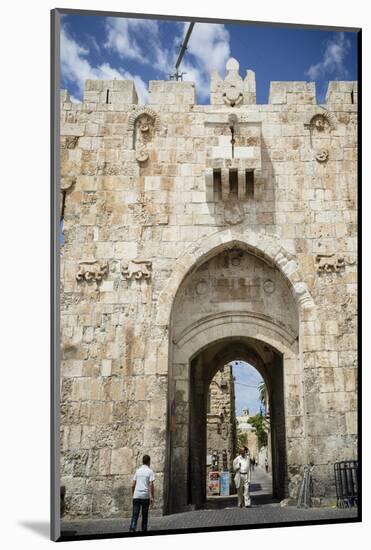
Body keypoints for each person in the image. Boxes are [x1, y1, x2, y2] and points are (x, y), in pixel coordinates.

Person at [129, 454, 155, 532]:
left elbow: (133, 485)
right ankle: (144, 529)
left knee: (135, 515)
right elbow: (151, 485)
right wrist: (152, 497)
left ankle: (132, 528)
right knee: (144, 516)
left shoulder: (137, 471)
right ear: (149, 462)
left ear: (142, 461)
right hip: (145, 497)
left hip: (136, 496)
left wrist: (133, 494)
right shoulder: (150, 471)